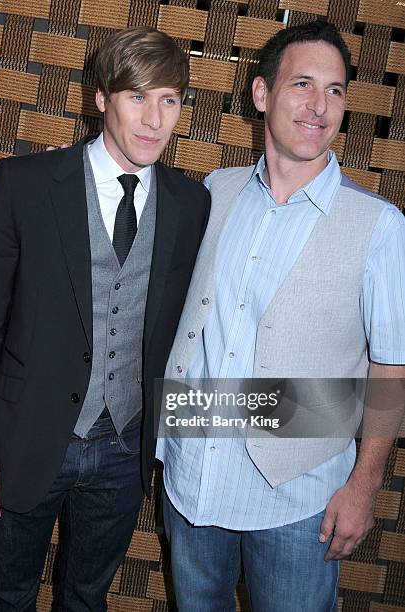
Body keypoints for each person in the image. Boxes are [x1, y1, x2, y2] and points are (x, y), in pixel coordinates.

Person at [0, 27, 210, 611]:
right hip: (26, 439)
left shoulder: (191, 203)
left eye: (168, 99)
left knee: (88, 598)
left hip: (124, 449)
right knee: (9, 594)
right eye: (136, 97)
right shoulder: (24, 185)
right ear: (101, 99)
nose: (153, 119)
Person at [156, 20, 405, 611]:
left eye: (336, 90)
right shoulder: (214, 191)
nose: (320, 106)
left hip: (302, 497)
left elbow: (391, 368)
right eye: (302, 84)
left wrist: (364, 487)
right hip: (194, 479)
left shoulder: (379, 226)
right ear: (262, 95)